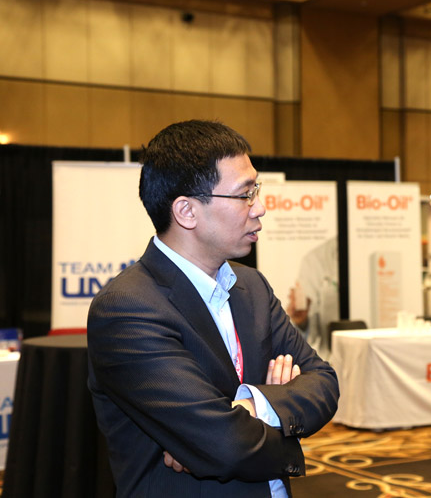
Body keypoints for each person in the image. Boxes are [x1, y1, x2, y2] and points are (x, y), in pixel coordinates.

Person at [87, 120, 339, 497]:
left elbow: (324, 381)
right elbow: (225, 444)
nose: (260, 208)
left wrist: (252, 407)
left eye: (256, 190)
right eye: (245, 195)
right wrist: (278, 414)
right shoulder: (127, 309)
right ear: (187, 211)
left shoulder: (251, 286)